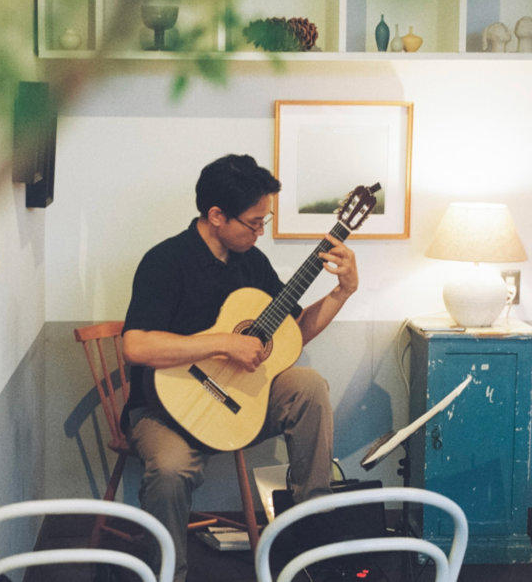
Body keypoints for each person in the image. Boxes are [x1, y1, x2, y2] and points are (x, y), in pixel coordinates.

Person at [121, 154, 359, 582]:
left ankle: (311, 530)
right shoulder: (165, 260)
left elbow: (294, 334)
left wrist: (342, 292)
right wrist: (223, 343)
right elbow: (136, 345)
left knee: (309, 384)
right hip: (162, 410)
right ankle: (167, 575)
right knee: (171, 471)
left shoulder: (252, 262)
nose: (260, 232)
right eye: (253, 223)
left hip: (237, 405)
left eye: (264, 221)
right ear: (216, 216)